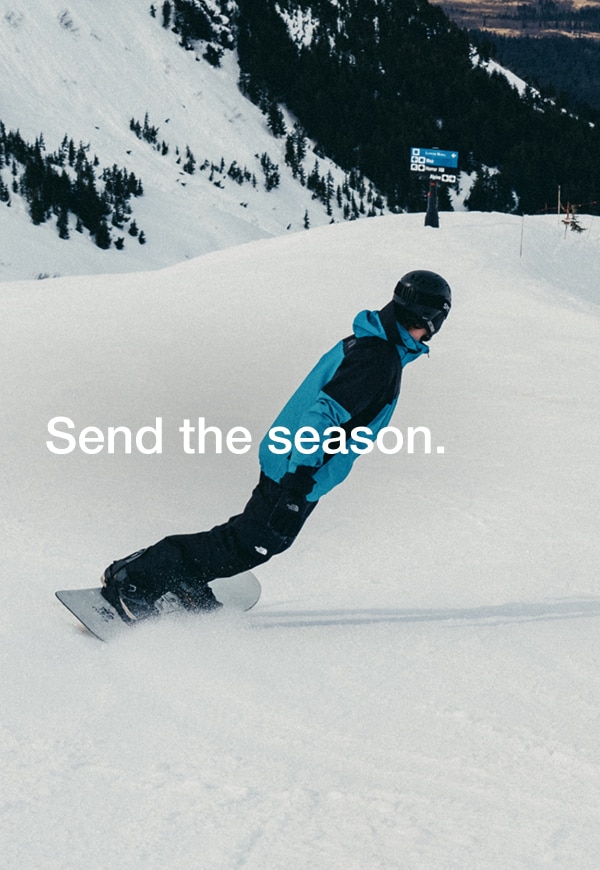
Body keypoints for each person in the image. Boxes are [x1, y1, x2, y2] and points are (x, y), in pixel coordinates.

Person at [101, 269, 452, 623]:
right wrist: (298, 481)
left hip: (300, 463)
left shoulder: (371, 344)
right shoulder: (379, 358)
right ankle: (136, 579)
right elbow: (324, 414)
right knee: (248, 542)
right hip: (297, 466)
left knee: (261, 540)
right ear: (427, 319)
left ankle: (185, 578)